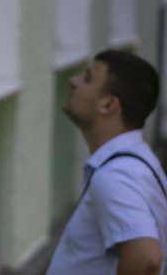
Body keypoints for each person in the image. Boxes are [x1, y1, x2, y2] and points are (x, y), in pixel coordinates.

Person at [46, 50, 167, 274]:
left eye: (87, 78)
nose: (74, 81)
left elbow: (146, 260)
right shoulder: (136, 161)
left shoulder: (116, 175)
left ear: (109, 105)